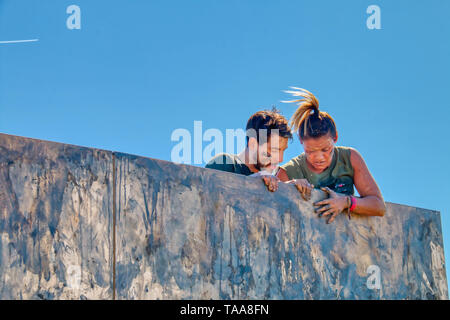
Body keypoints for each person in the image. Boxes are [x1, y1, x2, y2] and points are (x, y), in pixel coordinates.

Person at [276, 87, 386, 223]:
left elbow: (379, 206)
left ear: (335, 138)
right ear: (301, 142)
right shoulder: (289, 171)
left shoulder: (349, 158)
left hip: (345, 237)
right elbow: (272, 208)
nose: (319, 158)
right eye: (310, 151)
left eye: (325, 149)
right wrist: (288, 186)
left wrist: (346, 202)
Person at [205, 108, 292, 192]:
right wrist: (251, 182)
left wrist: (291, 191)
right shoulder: (224, 163)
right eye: (274, 150)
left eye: (283, 150)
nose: (281, 159)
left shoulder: (270, 182)